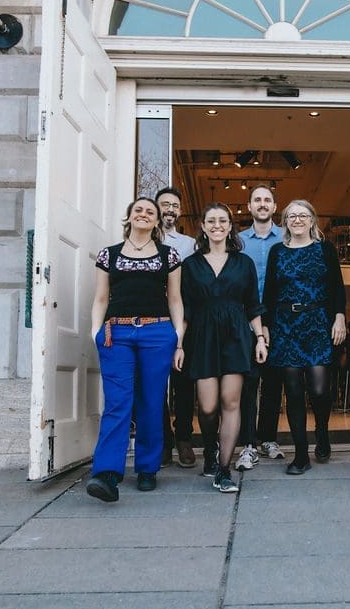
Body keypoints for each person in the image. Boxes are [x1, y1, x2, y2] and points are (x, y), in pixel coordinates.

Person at [86, 197, 184, 501]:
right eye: (138, 210)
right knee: (118, 402)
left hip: (157, 331)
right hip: (117, 333)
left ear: (156, 221)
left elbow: (175, 299)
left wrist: (177, 336)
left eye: (150, 212)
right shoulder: (109, 254)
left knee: (152, 402)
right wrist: (96, 332)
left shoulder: (169, 256)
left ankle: (146, 469)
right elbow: (101, 297)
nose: (144, 214)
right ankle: (107, 473)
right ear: (128, 217)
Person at [179, 203, 268, 493]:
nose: (217, 225)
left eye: (223, 221)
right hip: (202, 336)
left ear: (230, 226)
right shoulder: (190, 265)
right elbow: (185, 309)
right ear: (203, 227)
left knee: (231, 402)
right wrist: (178, 344)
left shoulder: (244, 263)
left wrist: (260, 339)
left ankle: (224, 469)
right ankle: (210, 449)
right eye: (211, 221)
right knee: (207, 406)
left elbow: (253, 305)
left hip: (236, 336)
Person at [262, 200, 346, 474]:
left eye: (303, 215)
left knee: (320, 389)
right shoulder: (277, 252)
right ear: (285, 221)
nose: (297, 220)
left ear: (312, 220)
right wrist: (265, 326)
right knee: (294, 392)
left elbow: (336, 287)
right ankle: (300, 454)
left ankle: (322, 430)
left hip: (318, 323)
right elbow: (270, 292)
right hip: (285, 325)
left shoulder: (325, 249)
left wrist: (340, 316)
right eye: (291, 216)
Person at [235, 184, 286, 470]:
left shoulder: (287, 237)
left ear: (274, 206)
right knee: (248, 381)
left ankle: (269, 438)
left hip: (279, 319)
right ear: (250, 206)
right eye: (257, 200)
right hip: (246, 319)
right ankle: (248, 442)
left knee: (273, 381)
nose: (262, 204)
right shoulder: (238, 241)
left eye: (267, 200)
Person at [155, 186, 198, 468]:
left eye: (174, 205)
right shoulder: (142, 240)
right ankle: (163, 439)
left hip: (184, 320)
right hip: (153, 319)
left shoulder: (190, 244)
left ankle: (183, 437)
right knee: (155, 383)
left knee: (183, 383)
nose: (170, 209)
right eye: (165, 204)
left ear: (180, 211)